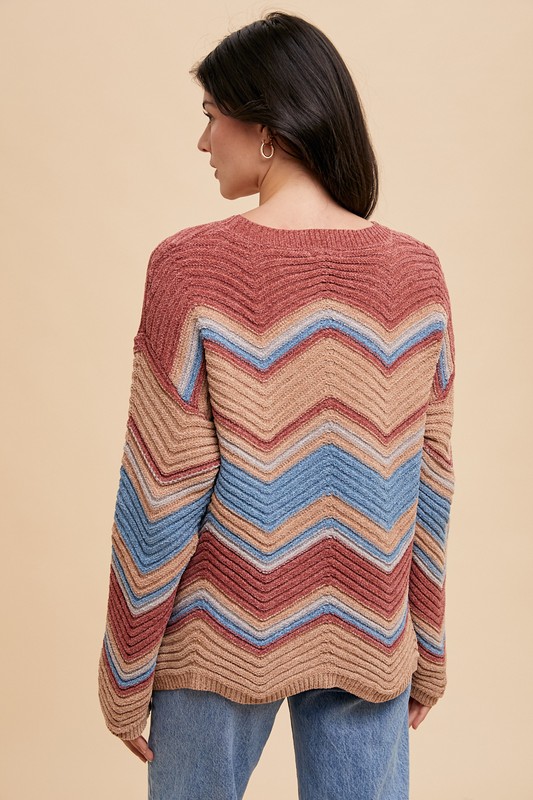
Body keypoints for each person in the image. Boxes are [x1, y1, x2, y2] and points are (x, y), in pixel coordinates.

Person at [97, 11, 456, 800]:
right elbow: (428, 486)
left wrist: (124, 669)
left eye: (210, 115)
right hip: (369, 626)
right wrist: (426, 649)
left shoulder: (190, 267)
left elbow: (160, 490)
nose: (203, 141)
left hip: (218, 634)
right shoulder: (415, 273)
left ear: (263, 126)